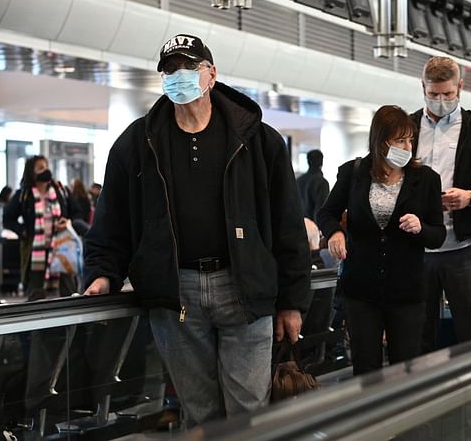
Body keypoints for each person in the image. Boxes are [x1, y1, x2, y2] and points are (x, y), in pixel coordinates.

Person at [81, 34, 311, 426]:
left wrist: (292, 301)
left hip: (244, 287)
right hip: (176, 293)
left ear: (212, 74)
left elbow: (287, 223)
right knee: (200, 413)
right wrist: (103, 274)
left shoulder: (257, 140)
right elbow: (112, 219)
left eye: (190, 67)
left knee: (248, 412)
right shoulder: (137, 143)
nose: (179, 76)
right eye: (170, 70)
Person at [318, 105, 445, 375]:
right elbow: (326, 212)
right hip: (361, 289)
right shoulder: (354, 173)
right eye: (399, 140)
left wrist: (421, 228)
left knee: (406, 368)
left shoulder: (426, 180)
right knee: (366, 368)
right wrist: (335, 232)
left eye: (410, 139)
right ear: (381, 140)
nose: (407, 146)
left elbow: (438, 235)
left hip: (407, 291)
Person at [408, 57, 471, 352]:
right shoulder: (409, 127)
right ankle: (421, 395)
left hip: (465, 250)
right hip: (419, 249)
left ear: (460, 88)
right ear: (423, 88)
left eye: (447, 94)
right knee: (417, 336)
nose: (440, 101)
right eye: (433, 94)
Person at [3, 156, 81, 301]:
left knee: (68, 288)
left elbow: (77, 212)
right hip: (36, 250)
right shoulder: (24, 195)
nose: (46, 170)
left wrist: (68, 222)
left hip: (62, 246)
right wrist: (23, 231)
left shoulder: (60, 190)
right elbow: (7, 218)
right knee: (35, 291)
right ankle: (36, 320)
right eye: (40, 168)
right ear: (31, 173)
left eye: (46, 165)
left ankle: (70, 321)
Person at [297, 149, 330, 222]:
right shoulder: (322, 183)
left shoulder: (298, 181)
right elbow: (320, 212)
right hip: (314, 230)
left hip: (299, 227)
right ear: (322, 162)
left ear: (308, 162)